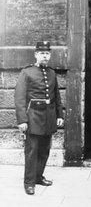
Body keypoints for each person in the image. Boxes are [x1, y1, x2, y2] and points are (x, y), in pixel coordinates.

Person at [15, 41, 64, 195]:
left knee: (44, 150)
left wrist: (59, 115)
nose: (45, 56)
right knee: (31, 151)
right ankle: (29, 182)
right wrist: (22, 120)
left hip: (48, 116)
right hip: (33, 116)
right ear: (36, 54)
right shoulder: (27, 72)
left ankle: (38, 177)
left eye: (47, 53)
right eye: (42, 53)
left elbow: (56, 96)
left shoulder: (51, 73)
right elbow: (19, 98)